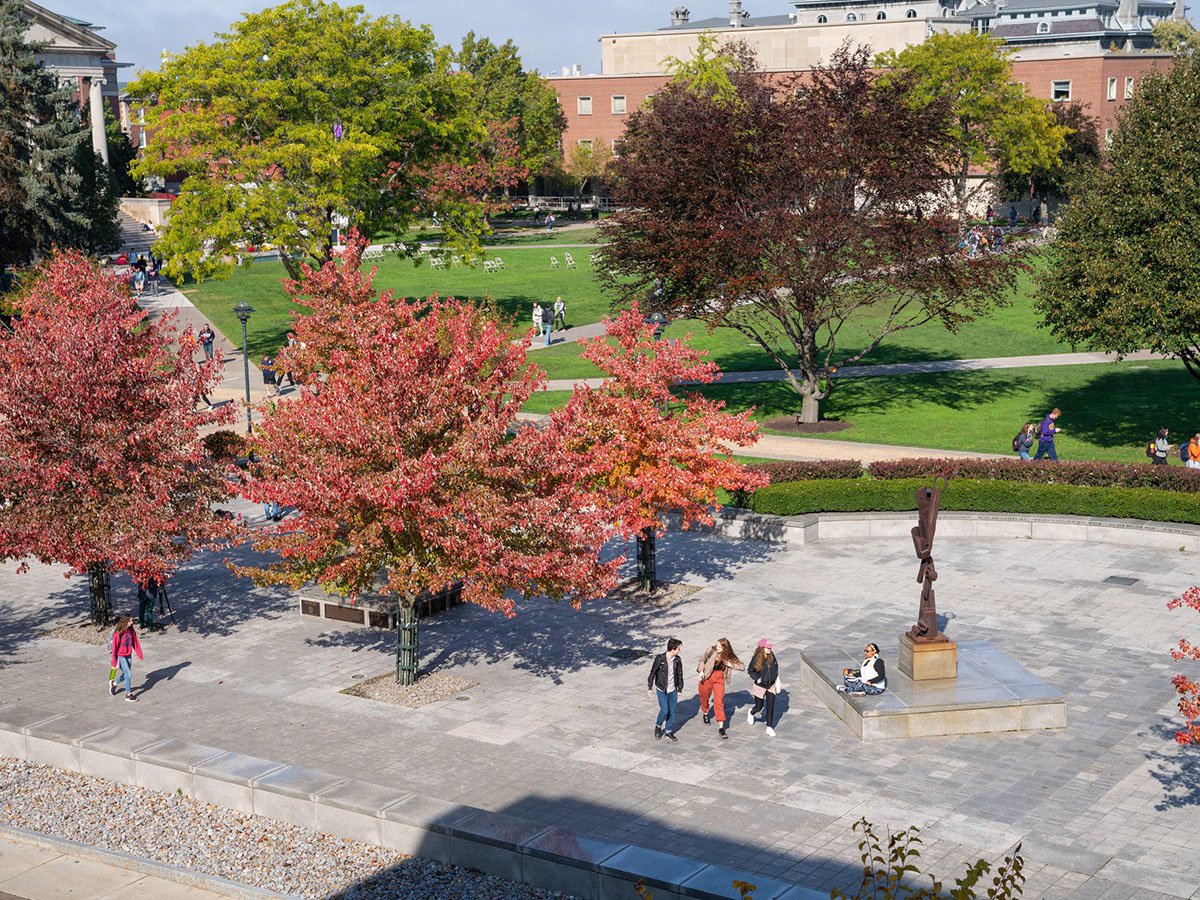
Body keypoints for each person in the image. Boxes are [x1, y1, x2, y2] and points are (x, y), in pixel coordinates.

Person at [696, 638, 744, 740]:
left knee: (719, 701)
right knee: (704, 696)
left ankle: (721, 727)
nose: (716, 647)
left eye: (719, 646)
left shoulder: (728, 656)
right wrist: (701, 671)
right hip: (707, 676)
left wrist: (731, 664)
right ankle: (705, 712)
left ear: (724, 648)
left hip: (719, 678)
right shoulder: (711, 650)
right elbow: (702, 660)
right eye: (717, 645)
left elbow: (742, 666)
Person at [646, 638, 684, 742]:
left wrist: (680, 688)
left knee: (672, 712)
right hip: (661, 688)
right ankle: (658, 725)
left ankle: (668, 731)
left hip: (672, 689)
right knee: (664, 710)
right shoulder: (660, 659)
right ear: (673, 649)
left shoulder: (677, 660)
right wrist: (649, 687)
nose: (679, 651)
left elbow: (680, 674)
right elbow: (652, 673)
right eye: (678, 649)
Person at [746, 639, 781, 737]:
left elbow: (775, 667)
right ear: (762, 648)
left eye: (770, 647)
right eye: (768, 647)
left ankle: (769, 727)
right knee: (759, 707)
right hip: (760, 686)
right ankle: (752, 712)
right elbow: (750, 670)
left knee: (771, 706)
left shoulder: (772, 656)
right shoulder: (756, 658)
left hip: (770, 685)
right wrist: (758, 678)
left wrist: (776, 678)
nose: (770, 649)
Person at [109, 616, 143, 702]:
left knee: (125, 675)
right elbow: (114, 648)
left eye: (132, 621)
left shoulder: (131, 630)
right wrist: (114, 660)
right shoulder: (118, 633)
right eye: (130, 621)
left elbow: (135, 642)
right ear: (125, 621)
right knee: (128, 674)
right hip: (121, 656)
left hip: (128, 655)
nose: (132, 622)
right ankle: (128, 695)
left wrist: (139, 654)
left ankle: (114, 683)